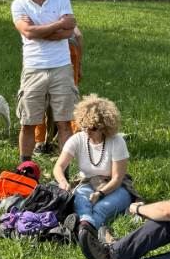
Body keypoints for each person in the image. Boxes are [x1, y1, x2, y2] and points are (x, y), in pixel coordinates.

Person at [11, 0, 78, 159]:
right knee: (28, 122)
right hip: (34, 68)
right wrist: (58, 24)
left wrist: (38, 30)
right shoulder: (19, 4)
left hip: (62, 67)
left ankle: (64, 171)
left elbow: (70, 31)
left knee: (64, 122)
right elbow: (28, 32)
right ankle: (25, 168)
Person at [53, 94, 133, 231]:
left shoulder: (117, 142)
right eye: (84, 127)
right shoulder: (77, 139)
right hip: (86, 184)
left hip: (114, 187)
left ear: (105, 127)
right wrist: (63, 182)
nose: (88, 132)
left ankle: (81, 231)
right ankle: (85, 230)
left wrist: (100, 193)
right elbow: (58, 167)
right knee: (82, 205)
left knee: (100, 208)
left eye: (93, 128)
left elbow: (117, 178)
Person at [34, 25, 83, 154]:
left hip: (43, 54)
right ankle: (76, 135)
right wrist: (79, 66)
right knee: (68, 100)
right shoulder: (63, 11)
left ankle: (40, 141)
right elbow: (78, 35)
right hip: (69, 51)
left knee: (41, 98)